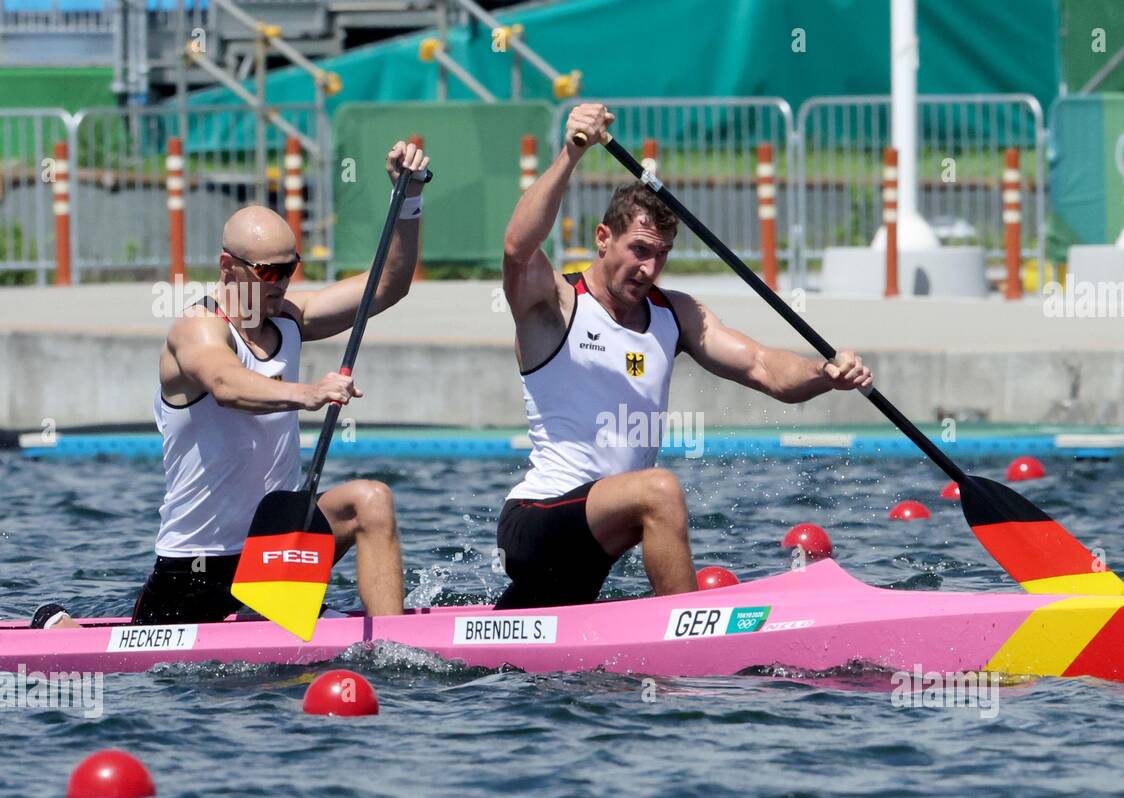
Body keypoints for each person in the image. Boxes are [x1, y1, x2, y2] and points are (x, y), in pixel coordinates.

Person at [31, 141, 430, 629]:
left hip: (274, 549)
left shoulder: (289, 319)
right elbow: (227, 385)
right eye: (268, 272)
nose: (282, 282)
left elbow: (387, 285)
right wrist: (308, 393)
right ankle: (59, 625)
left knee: (371, 500)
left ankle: (393, 648)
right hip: (197, 568)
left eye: (290, 269)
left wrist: (407, 196)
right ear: (229, 268)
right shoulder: (197, 330)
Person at [494, 103, 873, 610]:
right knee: (660, 490)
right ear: (603, 239)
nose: (650, 268)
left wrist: (825, 373)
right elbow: (518, 247)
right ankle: (689, 629)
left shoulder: (676, 315)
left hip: (594, 545)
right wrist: (571, 153)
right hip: (535, 522)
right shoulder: (555, 305)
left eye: (662, 255)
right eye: (639, 250)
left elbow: (764, 368)